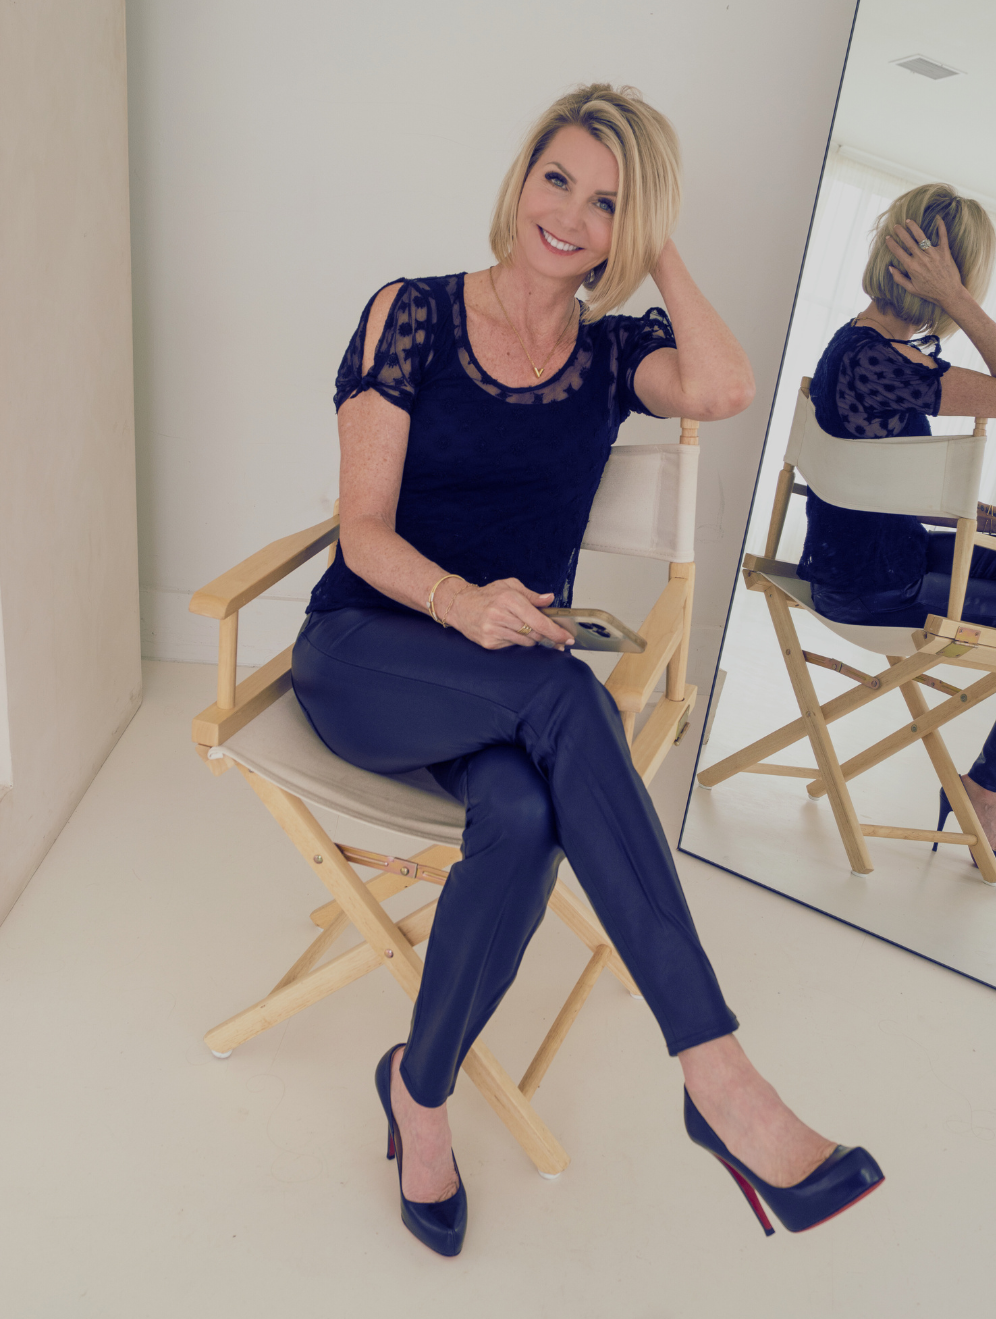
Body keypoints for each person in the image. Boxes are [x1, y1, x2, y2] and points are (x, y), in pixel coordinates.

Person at [293, 84, 883, 1256]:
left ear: (633, 229)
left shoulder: (617, 354)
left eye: (607, 203)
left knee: (521, 818)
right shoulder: (412, 314)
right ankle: (720, 1076)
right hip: (369, 653)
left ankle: (418, 1093)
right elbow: (361, 533)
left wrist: (655, 248)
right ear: (522, 177)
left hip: (501, 696)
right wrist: (462, 603)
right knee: (568, 693)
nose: (569, 215)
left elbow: (724, 387)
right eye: (557, 178)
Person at [799, 183, 996, 876]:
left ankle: (985, 785)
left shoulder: (863, 348)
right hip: (877, 589)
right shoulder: (880, 361)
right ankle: (987, 787)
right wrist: (956, 299)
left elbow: (893, 486)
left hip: (884, 560)